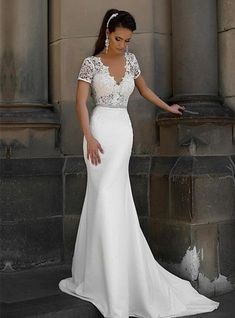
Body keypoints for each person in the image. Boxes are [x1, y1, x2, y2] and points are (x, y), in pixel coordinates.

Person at [58, 8, 219, 318]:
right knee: (102, 196)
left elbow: (144, 91)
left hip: (122, 133)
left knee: (115, 198)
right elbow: (80, 102)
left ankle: (117, 273)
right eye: (118, 39)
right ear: (107, 33)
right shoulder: (90, 64)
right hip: (99, 131)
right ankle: (101, 277)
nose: (123, 45)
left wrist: (168, 107)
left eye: (128, 40)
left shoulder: (131, 60)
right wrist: (89, 137)